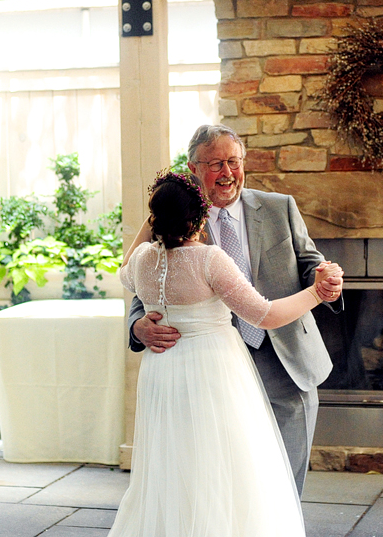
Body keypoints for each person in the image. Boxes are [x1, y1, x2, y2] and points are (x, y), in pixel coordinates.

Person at [110, 170, 342, 536]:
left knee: (176, 464)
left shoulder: (140, 261)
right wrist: (315, 294)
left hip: (163, 371)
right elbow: (265, 315)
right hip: (213, 371)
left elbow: (123, 269)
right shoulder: (209, 260)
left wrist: (157, 215)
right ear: (200, 217)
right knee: (228, 463)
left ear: (156, 218)